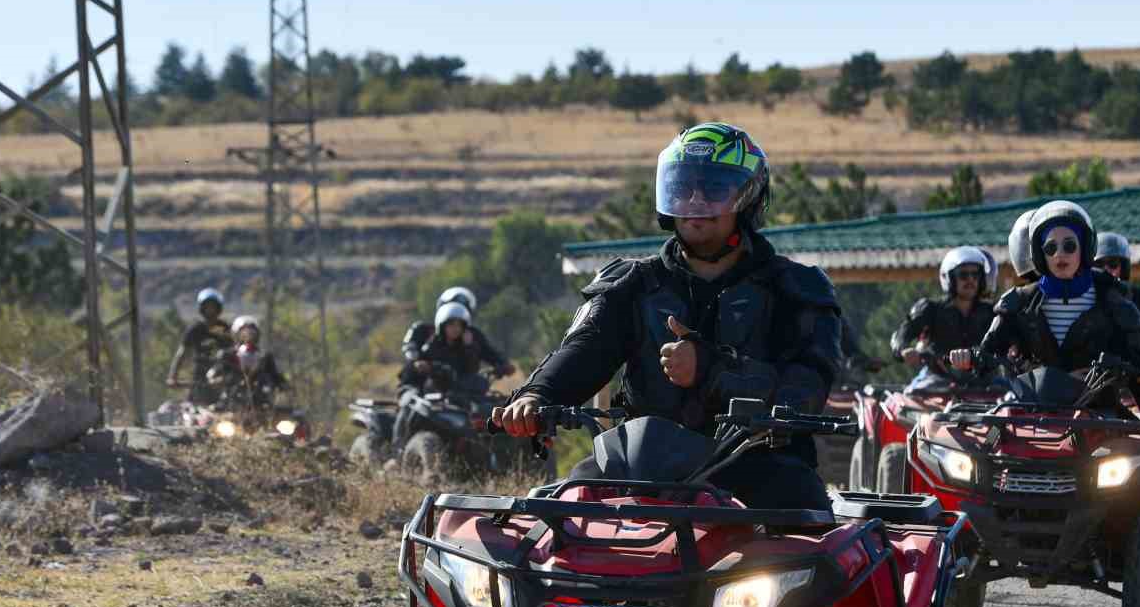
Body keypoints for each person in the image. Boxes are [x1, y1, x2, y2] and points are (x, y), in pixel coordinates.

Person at [492, 122, 843, 511]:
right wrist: (537, 394)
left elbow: (806, 390)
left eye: (713, 188)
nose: (695, 202)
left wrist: (710, 370)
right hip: (639, 462)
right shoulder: (631, 284)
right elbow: (584, 350)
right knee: (560, 516)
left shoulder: (797, 289)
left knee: (808, 523)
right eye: (683, 187)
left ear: (748, 197)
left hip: (757, 465)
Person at [950, 200, 1140, 423]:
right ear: (1039, 253)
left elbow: (1139, 369)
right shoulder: (1018, 304)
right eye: (1050, 248)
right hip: (1034, 418)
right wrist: (970, 357)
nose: (1059, 255)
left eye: (1069, 246)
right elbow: (988, 353)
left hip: (1101, 420)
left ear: (1085, 248)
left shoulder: (1116, 305)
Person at [890, 246, 996, 376]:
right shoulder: (930, 309)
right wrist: (903, 350)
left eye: (975, 274)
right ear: (949, 278)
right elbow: (902, 334)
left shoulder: (992, 313)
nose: (970, 279)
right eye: (963, 275)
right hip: (936, 383)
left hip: (985, 385)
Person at [399, 298, 514, 392]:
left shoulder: (470, 340)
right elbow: (411, 350)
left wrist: (503, 365)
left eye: (459, 325)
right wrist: (417, 362)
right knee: (411, 402)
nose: (456, 329)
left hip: (459, 391)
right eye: (451, 324)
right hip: (425, 387)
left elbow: (487, 355)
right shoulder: (429, 338)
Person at [166, 287, 235, 404]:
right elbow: (182, 353)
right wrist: (173, 376)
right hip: (200, 378)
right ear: (202, 309)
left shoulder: (225, 329)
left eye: (213, 307)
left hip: (221, 378)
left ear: (218, 308)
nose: (210, 311)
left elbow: (234, 352)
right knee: (196, 411)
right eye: (207, 307)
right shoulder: (195, 329)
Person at [219, 314, 288, 410]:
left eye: (251, 333)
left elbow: (275, 376)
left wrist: (283, 385)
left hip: (263, 405)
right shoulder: (227, 355)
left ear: (257, 335)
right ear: (236, 335)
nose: (248, 337)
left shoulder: (264, 356)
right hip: (232, 404)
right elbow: (217, 374)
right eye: (243, 334)